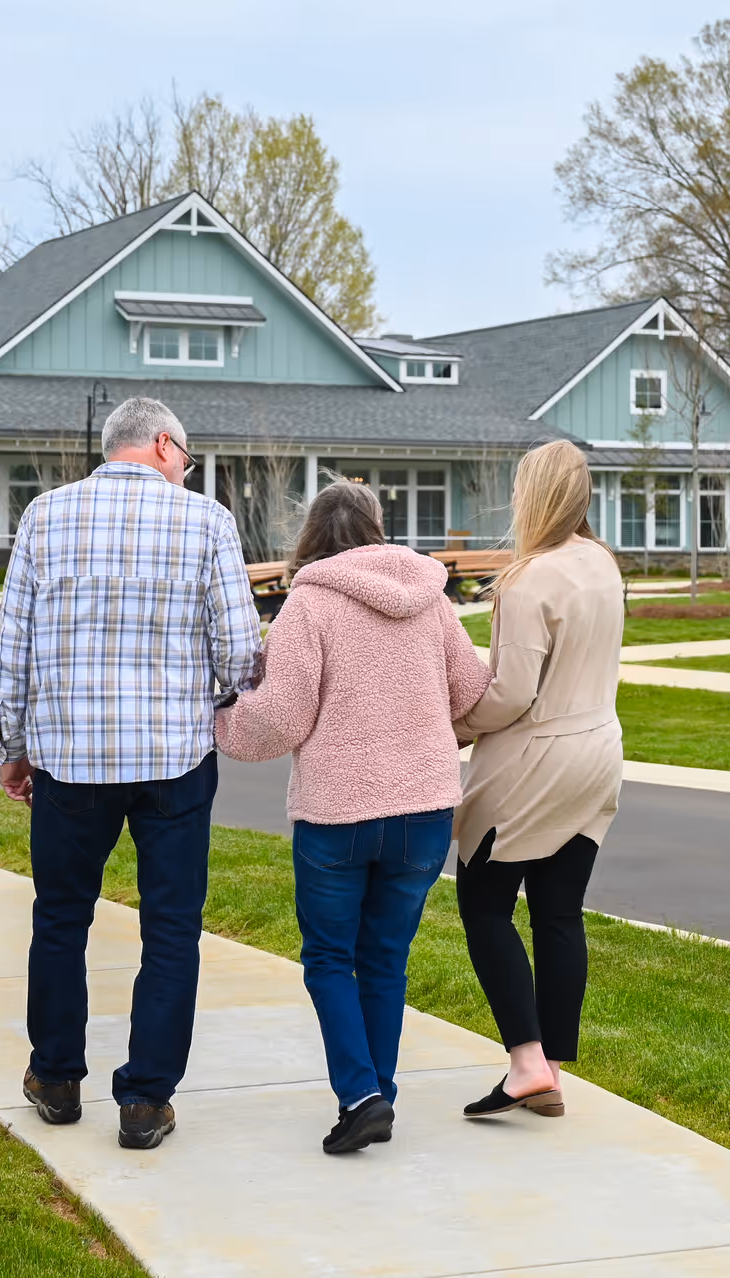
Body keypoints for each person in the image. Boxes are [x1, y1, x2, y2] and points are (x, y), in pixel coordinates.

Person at [0, 397, 261, 1151]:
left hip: (70, 761)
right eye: (188, 459)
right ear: (166, 446)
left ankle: (56, 1076)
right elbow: (240, 651)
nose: (187, 471)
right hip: (174, 760)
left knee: (61, 918)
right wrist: (206, 698)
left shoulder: (45, 516)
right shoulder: (206, 522)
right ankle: (144, 1101)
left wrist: (11, 744)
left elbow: (13, 647)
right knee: (171, 931)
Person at [215, 480, 490, 1154]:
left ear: (312, 534)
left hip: (337, 813)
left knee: (331, 959)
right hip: (424, 811)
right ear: (377, 527)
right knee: (386, 961)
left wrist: (223, 715)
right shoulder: (432, 602)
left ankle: (362, 1095)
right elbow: (472, 692)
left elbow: (280, 719)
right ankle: (378, 1094)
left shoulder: (306, 605)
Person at [452, 440, 624, 1120]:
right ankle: (550, 1067)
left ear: (534, 497)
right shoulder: (603, 566)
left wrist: (456, 722)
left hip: (534, 760)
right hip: (599, 751)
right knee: (558, 913)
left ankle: (525, 1064)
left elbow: (513, 695)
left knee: (486, 905)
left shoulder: (529, 580)